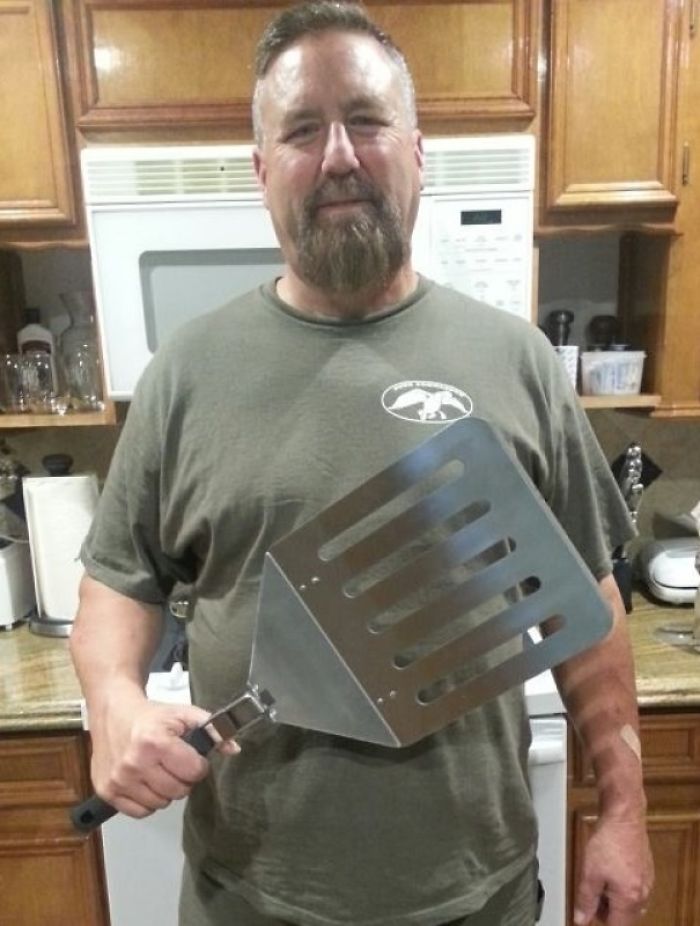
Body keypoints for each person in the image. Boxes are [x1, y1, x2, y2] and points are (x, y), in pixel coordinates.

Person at [69, 3, 654, 925]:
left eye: (367, 121)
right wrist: (113, 702)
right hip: (250, 899)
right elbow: (118, 587)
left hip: (477, 896)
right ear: (263, 172)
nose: (339, 154)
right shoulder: (187, 370)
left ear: (417, 151)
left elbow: (585, 606)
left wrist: (624, 810)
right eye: (303, 130)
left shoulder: (515, 362)